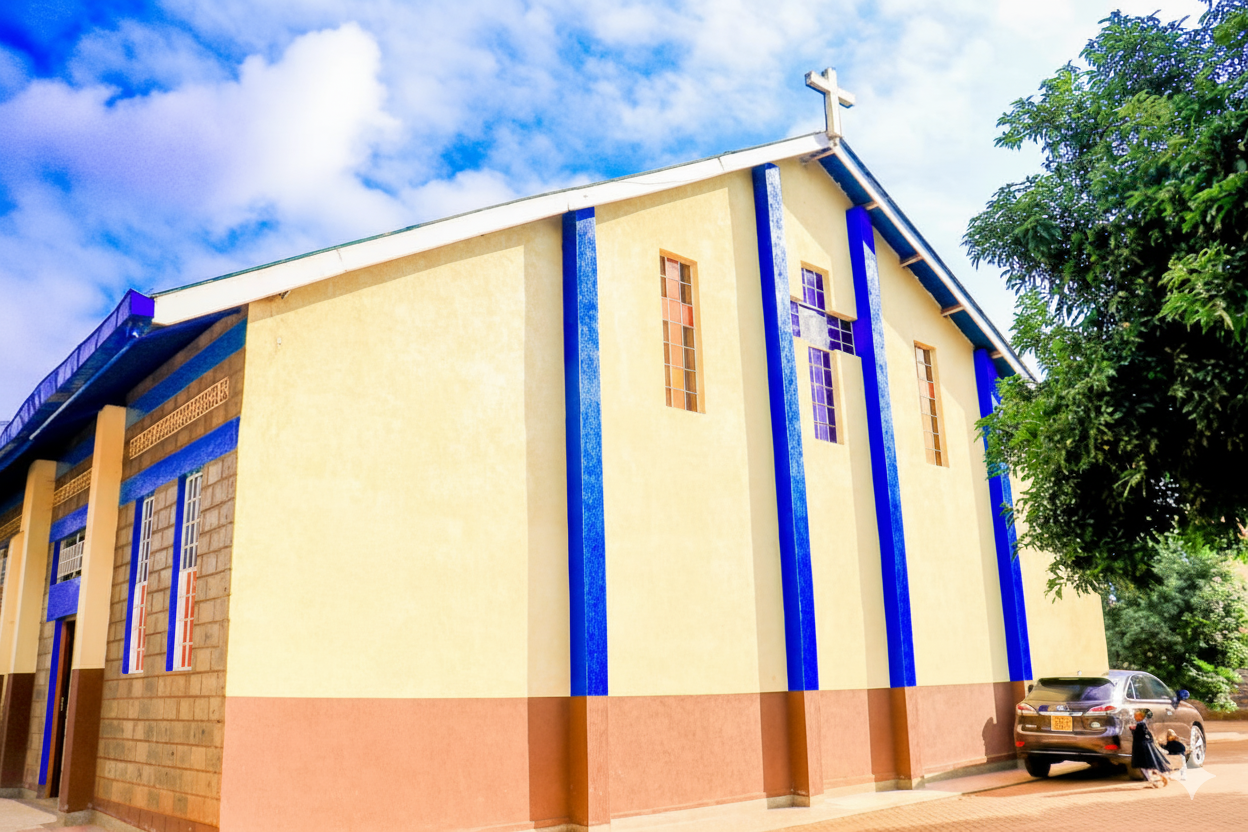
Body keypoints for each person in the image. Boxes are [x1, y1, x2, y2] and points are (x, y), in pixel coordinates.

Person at [1130, 710, 1170, 788]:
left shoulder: (1140, 725)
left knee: (1144, 766)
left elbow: (1139, 735)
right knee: (1148, 765)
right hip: (1145, 746)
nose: (1134, 717)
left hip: (1140, 747)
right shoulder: (1143, 725)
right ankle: (1158, 777)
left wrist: (1133, 730)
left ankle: (1153, 780)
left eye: (1136, 716)